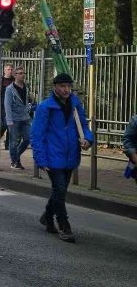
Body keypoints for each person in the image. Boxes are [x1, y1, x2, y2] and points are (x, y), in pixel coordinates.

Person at [30, 73, 93, 243]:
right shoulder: (45, 107)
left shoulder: (75, 104)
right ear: (55, 87)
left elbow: (84, 125)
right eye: (63, 86)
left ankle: (48, 217)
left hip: (71, 155)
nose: (66, 90)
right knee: (59, 190)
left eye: (68, 86)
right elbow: (37, 135)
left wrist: (88, 139)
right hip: (52, 156)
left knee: (60, 191)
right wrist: (40, 159)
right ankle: (64, 225)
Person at [4, 66, 33, 170]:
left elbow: (26, 101)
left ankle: (15, 158)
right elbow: (7, 105)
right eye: (19, 73)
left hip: (25, 118)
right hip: (14, 119)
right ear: (15, 75)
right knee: (14, 142)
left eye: (23, 73)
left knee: (28, 138)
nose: (22, 75)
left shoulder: (26, 86)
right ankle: (15, 162)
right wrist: (9, 120)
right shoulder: (10, 89)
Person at [0, 63, 15, 150]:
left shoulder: (14, 80)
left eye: (11, 69)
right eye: (8, 69)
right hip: (2, 106)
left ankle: (8, 145)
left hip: (12, 105)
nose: (10, 71)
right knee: (5, 124)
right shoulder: (0, 80)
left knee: (11, 125)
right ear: (4, 70)